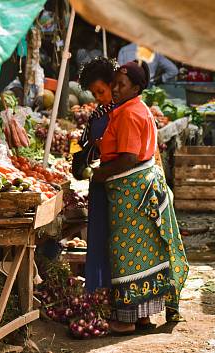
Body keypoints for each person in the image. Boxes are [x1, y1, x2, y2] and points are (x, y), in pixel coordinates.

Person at [92, 61, 188, 333]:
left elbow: (129, 158)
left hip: (131, 192)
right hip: (139, 189)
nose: (115, 89)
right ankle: (143, 316)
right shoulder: (133, 109)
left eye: (121, 85)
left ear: (135, 88)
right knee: (145, 254)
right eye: (114, 84)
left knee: (125, 252)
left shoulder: (129, 113)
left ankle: (126, 320)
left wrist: (98, 174)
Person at [76, 57, 118, 293]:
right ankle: (98, 294)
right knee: (99, 239)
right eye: (95, 94)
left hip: (120, 184)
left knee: (117, 242)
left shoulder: (125, 111)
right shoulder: (98, 113)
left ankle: (116, 297)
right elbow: (85, 143)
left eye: (101, 91)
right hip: (100, 181)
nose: (99, 98)